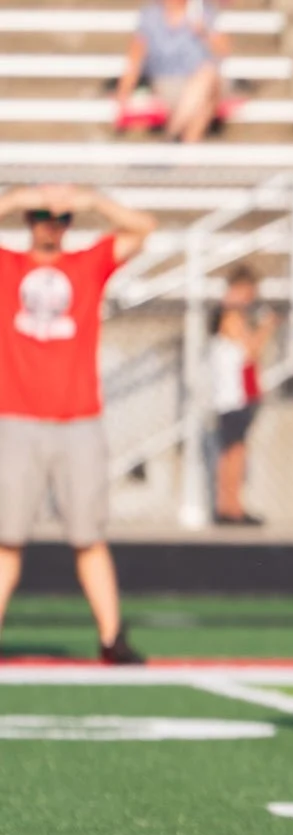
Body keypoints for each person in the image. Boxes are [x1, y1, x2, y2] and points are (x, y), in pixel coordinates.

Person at [0, 184, 155, 662]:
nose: (51, 225)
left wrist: (90, 201)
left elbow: (143, 229)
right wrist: (18, 198)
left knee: (89, 537)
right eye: (42, 216)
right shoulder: (8, 266)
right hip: (16, 419)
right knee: (6, 540)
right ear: (28, 220)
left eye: (59, 218)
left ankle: (111, 638)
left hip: (78, 421)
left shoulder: (86, 265)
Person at [209, 265, 273, 525]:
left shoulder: (235, 317)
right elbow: (251, 349)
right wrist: (266, 328)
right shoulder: (231, 317)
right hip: (231, 397)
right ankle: (229, 507)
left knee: (236, 451)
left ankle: (232, 505)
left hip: (238, 395)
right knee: (233, 453)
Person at [114, 0, 228, 144]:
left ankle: (171, 135)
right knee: (203, 104)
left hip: (203, 81)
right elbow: (136, 56)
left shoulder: (203, 12)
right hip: (168, 82)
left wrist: (204, 31)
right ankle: (184, 150)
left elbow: (223, 50)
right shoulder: (151, 15)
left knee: (207, 75)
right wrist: (123, 92)